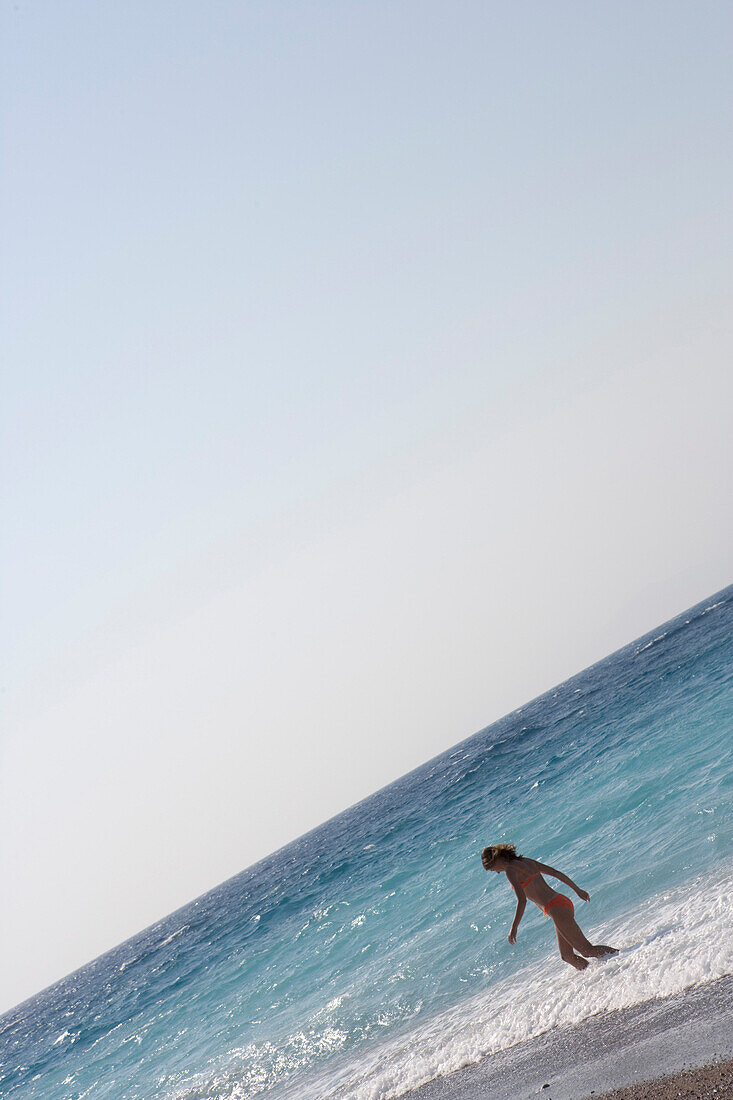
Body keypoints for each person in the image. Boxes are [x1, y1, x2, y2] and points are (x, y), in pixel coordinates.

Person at [481, 843, 617, 970]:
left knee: (587, 950)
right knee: (567, 956)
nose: (497, 872)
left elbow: (522, 900)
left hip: (556, 908)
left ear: (496, 860)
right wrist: (577, 890)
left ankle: (622, 956)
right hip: (561, 902)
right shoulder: (526, 861)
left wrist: (514, 927)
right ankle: (598, 972)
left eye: (492, 869)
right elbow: (556, 873)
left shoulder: (510, 870)